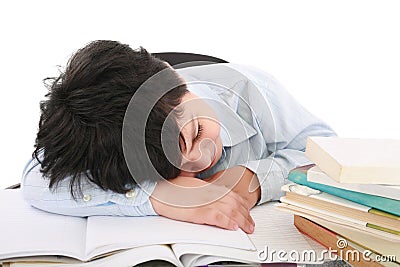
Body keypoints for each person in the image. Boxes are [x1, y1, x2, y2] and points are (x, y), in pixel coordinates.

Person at [22, 40, 335, 234]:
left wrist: (254, 179)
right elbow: (37, 180)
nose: (199, 160)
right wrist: (158, 193)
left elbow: (327, 152)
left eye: (196, 133)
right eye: (170, 168)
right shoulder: (99, 136)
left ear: (176, 76)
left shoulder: (252, 92)